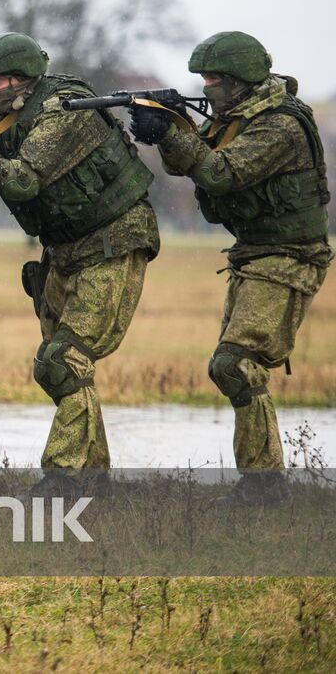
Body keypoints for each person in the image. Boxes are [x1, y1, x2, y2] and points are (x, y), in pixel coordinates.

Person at [0, 32, 157, 494]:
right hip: (64, 249)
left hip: (114, 239)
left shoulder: (62, 111)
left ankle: (61, 478)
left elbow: (22, 181)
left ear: (26, 76)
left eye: (2, 79)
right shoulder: (12, 119)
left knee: (63, 360)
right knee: (64, 367)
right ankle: (96, 479)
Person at [130, 31, 329, 506]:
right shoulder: (237, 117)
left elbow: (222, 172)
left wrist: (172, 131)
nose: (207, 86)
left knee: (235, 364)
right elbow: (191, 166)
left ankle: (264, 487)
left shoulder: (278, 126)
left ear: (241, 80)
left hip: (289, 257)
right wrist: (165, 129)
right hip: (255, 255)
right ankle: (264, 482)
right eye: (203, 78)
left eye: (214, 78)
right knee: (235, 367)